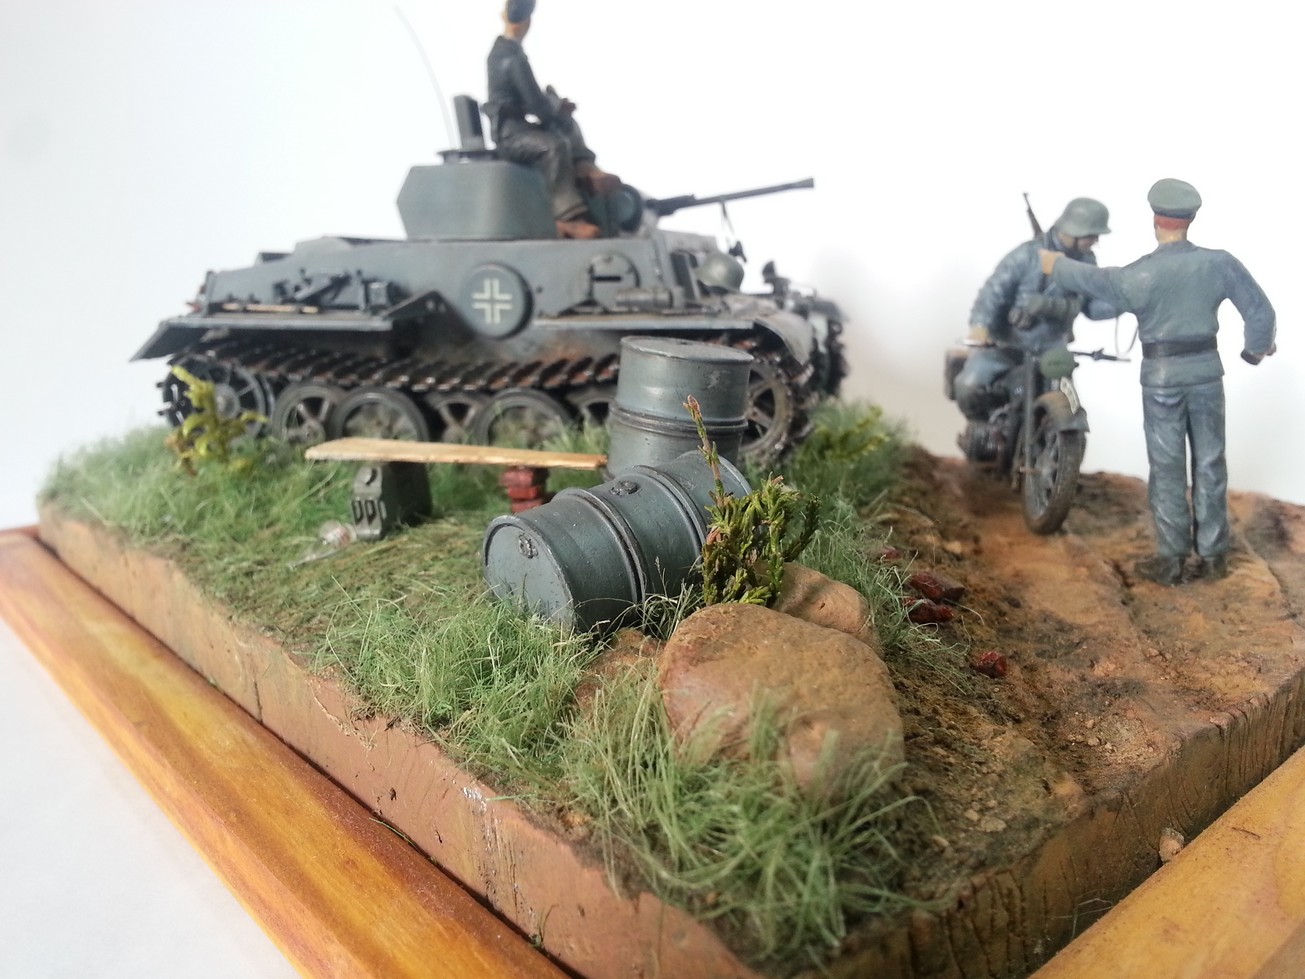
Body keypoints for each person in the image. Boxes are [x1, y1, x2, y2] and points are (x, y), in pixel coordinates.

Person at [1041, 179, 1276, 585]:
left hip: (1162, 380)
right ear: (1191, 219)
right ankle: (1214, 556)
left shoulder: (1138, 274)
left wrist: (1055, 265)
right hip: (1206, 373)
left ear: (1156, 220)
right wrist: (1254, 350)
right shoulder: (1219, 263)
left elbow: (1095, 280)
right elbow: (1261, 313)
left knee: (1167, 467)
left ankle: (1172, 559)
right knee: (1210, 461)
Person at [953, 198, 1119, 432]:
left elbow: (1091, 307)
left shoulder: (1086, 262)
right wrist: (980, 327)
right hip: (1007, 346)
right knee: (969, 385)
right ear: (1073, 231)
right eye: (1091, 235)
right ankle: (984, 431)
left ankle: (1054, 442)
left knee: (1069, 404)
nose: (1095, 241)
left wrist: (1125, 304)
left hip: (1052, 349)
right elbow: (993, 292)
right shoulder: (1027, 255)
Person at [484, 0, 618, 238]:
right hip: (510, 135)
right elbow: (537, 105)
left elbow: (530, 100)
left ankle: (584, 167)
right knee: (554, 146)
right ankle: (566, 217)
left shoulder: (510, 52)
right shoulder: (511, 57)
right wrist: (556, 106)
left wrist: (556, 108)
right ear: (527, 22)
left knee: (564, 124)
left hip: (520, 126)